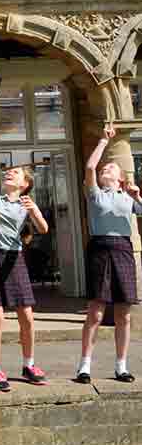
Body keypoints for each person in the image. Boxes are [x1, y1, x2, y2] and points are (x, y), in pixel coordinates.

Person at [0, 105, 50, 391]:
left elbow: (43, 230)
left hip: (13, 259)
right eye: (8, 171)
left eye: (14, 173)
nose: (8, 174)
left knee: (26, 315)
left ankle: (28, 364)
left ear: (25, 184)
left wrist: (36, 212)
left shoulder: (26, 203)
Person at [78, 124, 140, 383]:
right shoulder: (95, 195)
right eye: (105, 168)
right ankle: (85, 365)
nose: (106, 169)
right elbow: (90, 167)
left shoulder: (128, 198)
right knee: (96, 311)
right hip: (100, 248)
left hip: (123, 249)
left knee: (123, 313)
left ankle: (121, 365)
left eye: (111, 167)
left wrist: (139, 195)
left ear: (121, 178)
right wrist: (103, 141)